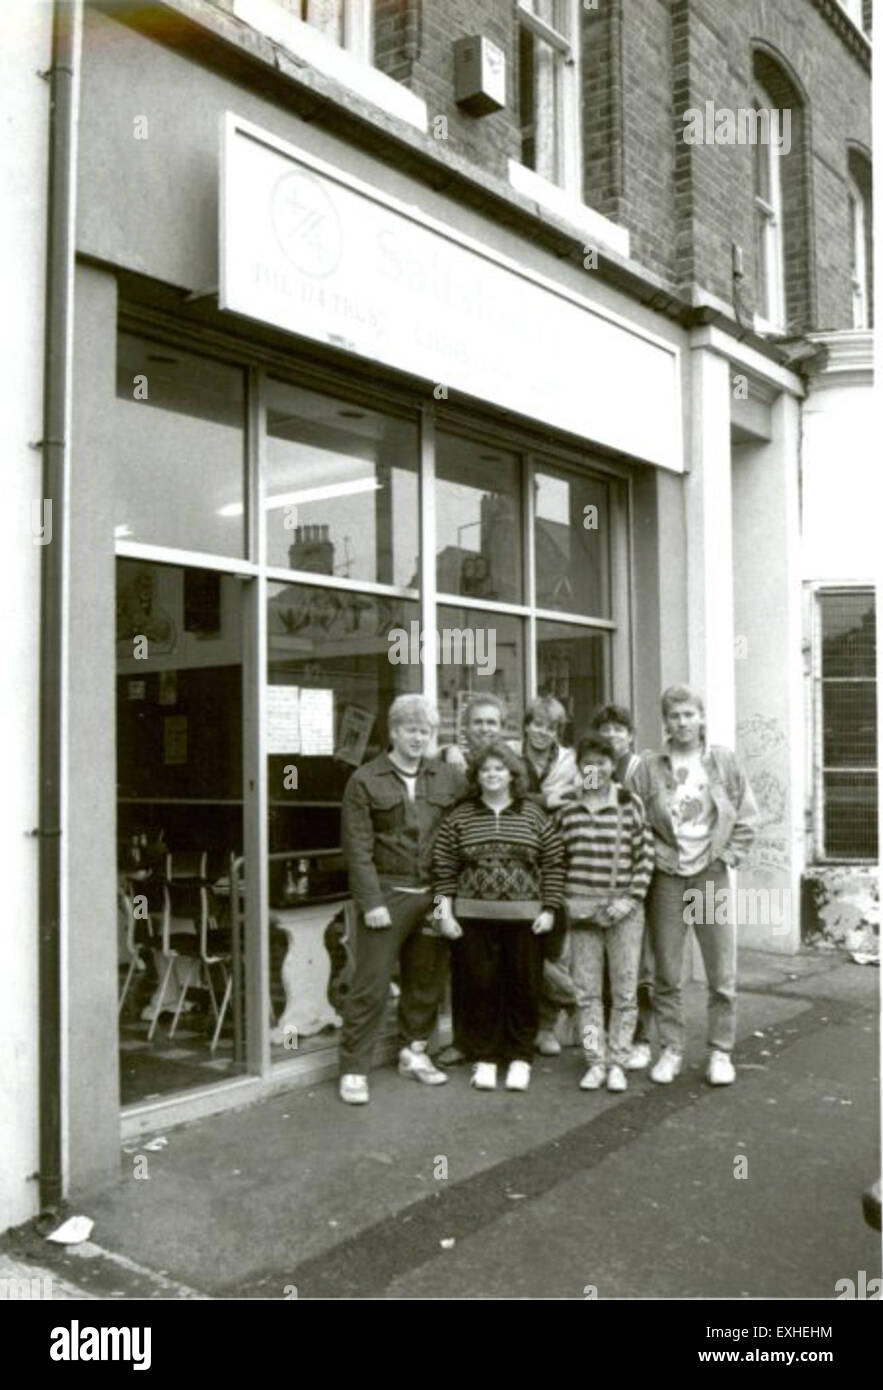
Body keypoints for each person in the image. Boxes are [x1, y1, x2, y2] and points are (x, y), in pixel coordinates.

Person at [337, 695, 466, 1105]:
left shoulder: (448, 777)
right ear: (394, 731)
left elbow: (461, 830)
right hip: (387, 894)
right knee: (371, 985)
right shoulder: (364, 780)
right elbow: (356, 848)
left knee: (425, 981)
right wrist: (371, 901)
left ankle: (414, 1053)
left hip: (435, 893)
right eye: (411, 730)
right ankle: (354, 1067)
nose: (418, 738)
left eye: (426, 732)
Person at [631, 685, 758, 1087]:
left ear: (701, 717)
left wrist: (728, 857)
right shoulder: (649, 768)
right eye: (674, 716)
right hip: (667, 877)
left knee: (721, 971)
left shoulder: (722, 761)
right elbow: (634, 824)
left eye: (689, 714)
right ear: (664, 722)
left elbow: (747, 816)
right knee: (667, 972)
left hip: (709, 875)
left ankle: (720, 1052)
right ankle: (671, 1048)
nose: (682, 723)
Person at [432, 741, 565, 1092]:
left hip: (526, 919)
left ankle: (520, 1058)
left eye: (499, 769)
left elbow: (554, 864)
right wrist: (443, 915)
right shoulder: (460, 816)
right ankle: (486, 1058)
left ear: (512, 774)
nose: (492, 775)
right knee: (479, 988)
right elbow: (442, 869)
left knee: (524, 988)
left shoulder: (533, 815)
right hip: (471, 920)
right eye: (485, 770)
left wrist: (549, 909)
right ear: (476, 777)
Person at [556, 735, 654, 1092]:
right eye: (587, 762)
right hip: (582, 913)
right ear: (579, 766)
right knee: (586, 993)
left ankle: (618, 1060)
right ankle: (595, 1060)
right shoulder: (567, 809)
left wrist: (629, 900)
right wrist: (566, 903)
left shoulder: (630, 805)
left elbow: (645, 857)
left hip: (623, 911)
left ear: (613, 766)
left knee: (626, 991)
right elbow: (556, 862)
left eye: (602, 762)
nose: (594, 769)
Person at [435, 692, 514, 1067]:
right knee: (467, 971)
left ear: (502, 728)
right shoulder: (447, 764)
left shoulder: (514, 765)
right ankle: (465, 1042)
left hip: (512, 886)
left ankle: (504, 1042)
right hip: (465, 884)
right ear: (464, 729)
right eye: (478, 722)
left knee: (507, 970)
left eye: (492, 722)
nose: (485, 729)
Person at [590, 703, 653, 1069]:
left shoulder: (640, 769)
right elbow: (578, 805)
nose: (612, 735)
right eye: (605, 729)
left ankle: (639, 1038)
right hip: (597, 884)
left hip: (635, 880)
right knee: (596, 974)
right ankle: (598, 1043)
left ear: (630, 734)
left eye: (619, 729)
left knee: (636, 966)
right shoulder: (593, 770)